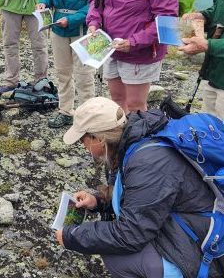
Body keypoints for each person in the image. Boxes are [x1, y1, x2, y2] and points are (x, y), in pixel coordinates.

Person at [55, 97, 224, 277]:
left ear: (98, 139)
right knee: (109, 234)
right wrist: (97, 200)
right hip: (183, 221)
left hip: (202, 243)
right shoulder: (131, 139)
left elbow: (130, 235)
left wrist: (72, 236)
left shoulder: (148, 162)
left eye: (83, 139)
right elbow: (137, 195)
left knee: (115, 256)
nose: (82, 146)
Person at [37, 0, 99, 128]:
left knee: (84, 75)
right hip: (57, 28)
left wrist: (72, 20)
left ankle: (87, 115)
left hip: (82, 29)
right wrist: (43, 3)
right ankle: (66, 111)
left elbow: (95, 2)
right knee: (63, 72)